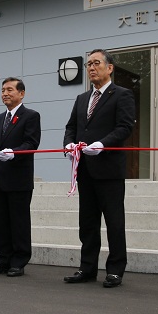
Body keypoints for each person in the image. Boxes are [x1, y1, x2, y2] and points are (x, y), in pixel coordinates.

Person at [62, 49, 135, 288]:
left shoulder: (122, 95)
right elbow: (71, 126)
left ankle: (115, 270)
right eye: (88, 64)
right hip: (85, 170)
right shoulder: (82, 98)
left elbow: (124, 128)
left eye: (96, 63)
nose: (91, 68)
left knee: (114, 222)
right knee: (88, 222)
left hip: (109, 169)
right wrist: (69, 144)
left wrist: (102, 144)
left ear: (110, 67)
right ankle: (87, 267)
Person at [0, 77, 41, 277]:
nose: (5, 93)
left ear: (21, 93)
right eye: (3, 90)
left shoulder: (30, 116)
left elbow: (31, 143)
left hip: (18, 179)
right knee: (1, 222)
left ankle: (19, 262)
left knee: (19, 222)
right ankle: (3, 260)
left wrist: (13, 152)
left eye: (10, 90)